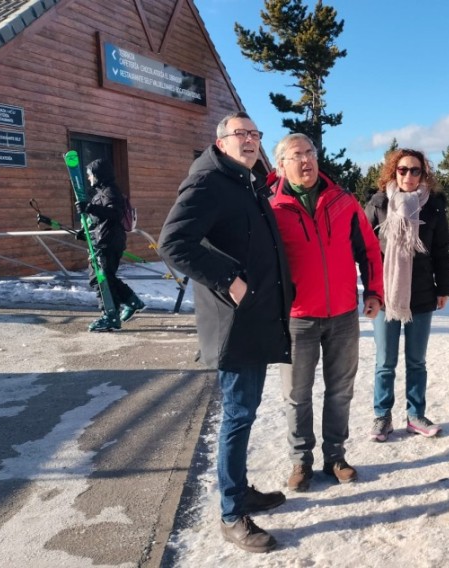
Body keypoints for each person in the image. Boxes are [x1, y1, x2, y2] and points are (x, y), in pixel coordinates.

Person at [158, 111, 292, 554]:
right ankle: (232, 514)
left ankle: (240, 490)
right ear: (220, 141)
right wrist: (229, 278)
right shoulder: (208, 182)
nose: (250, 140)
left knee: (246, 412)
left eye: (255, 134)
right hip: (233, 324)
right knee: (237, 415)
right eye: (241, 134)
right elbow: (174, 242)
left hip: (253, 317)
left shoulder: (244, 181)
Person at [268, 133, 384, 490]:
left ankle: (335, 457)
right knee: (297, 395)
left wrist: (374, 291)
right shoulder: (271, 206)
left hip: (344, 315)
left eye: (310, 153)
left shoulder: (343, 200)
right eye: (296, 155)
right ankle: (301, 461)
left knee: (340, 390)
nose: (306, 161)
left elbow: (369, 249)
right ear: (281, 166)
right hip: (298, 317)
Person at [363, 149, 449, 442]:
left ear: (423, 174)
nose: (409, 176)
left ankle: (415, 415)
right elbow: (366, 252)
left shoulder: (434, 206)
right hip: (386, 295)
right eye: (403, 170)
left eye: (416, 171)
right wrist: (371, 291)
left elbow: (441, 250)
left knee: (417, 361)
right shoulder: (378, 204)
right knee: (385, 361)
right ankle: (382, 416)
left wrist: (444, 288)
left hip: (423, 292)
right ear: (393, 172)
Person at [75, 158, 145, 332]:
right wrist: (86, 228)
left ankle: (110, 316)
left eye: (90, 175)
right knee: (104, 277)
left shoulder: (110, 191)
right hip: (104, 240)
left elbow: (115, 213)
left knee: (101, 280)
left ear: (99, 175)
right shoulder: (101, 193)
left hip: (110, 242)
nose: (89, 179)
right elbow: (99, 218)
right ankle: (131, 300)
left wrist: (90, 207)